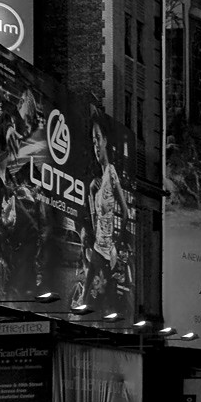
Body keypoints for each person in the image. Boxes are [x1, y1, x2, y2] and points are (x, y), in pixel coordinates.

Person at [74, 113, 129, 312]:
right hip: (98, 245)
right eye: (93, 140)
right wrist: (90, 189)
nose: (96, 145)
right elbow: (94, 214)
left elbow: (125, 212)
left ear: (105, 141)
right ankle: (83, 305)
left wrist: (117, 241)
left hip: (109, 251)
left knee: (108, 296)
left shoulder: (111, 172)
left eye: (98, 138)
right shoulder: (98, 181)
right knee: (88, 288)